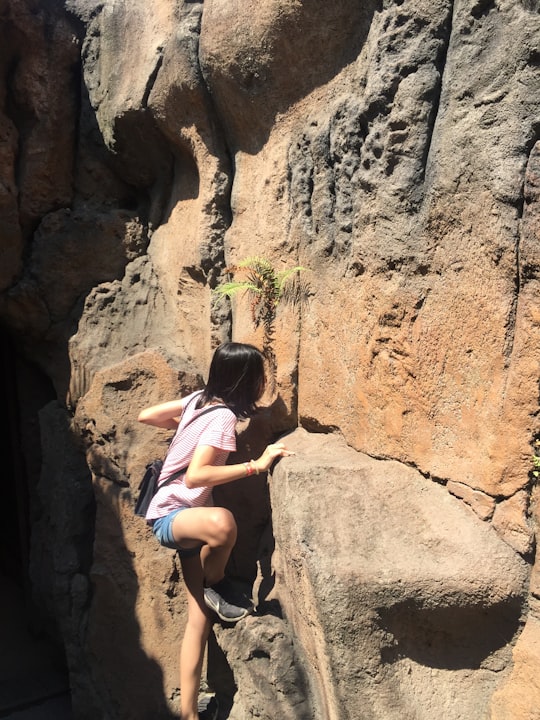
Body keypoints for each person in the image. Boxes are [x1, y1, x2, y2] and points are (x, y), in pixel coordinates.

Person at [138, 341, 293, 720]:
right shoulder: (222, 418)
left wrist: (186, 428)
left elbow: (147, 415)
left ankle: (189, 714)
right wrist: (256, 466)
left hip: (184, 519)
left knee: (199, 619)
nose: (264, 382)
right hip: (174, 517)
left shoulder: (198, 401)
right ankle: (217, 580)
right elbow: (197, 475)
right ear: (245, 380)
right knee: (224, 523)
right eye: (260, 376)